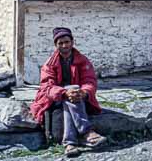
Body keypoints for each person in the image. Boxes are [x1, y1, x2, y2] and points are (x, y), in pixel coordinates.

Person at [30, 28, 106, 157]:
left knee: (73, 93)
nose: (64, 45)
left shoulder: (82, 61)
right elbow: (47, 87)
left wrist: (85, 92)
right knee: (69, 94)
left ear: (72, 42)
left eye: (67, 42)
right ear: (56, 45)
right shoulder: (49, 64)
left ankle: (69, 144)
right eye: (60, 43)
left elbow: (90, 81)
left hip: (77, 97)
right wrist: (64, 93)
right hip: (54, 99)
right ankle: (87, 132)